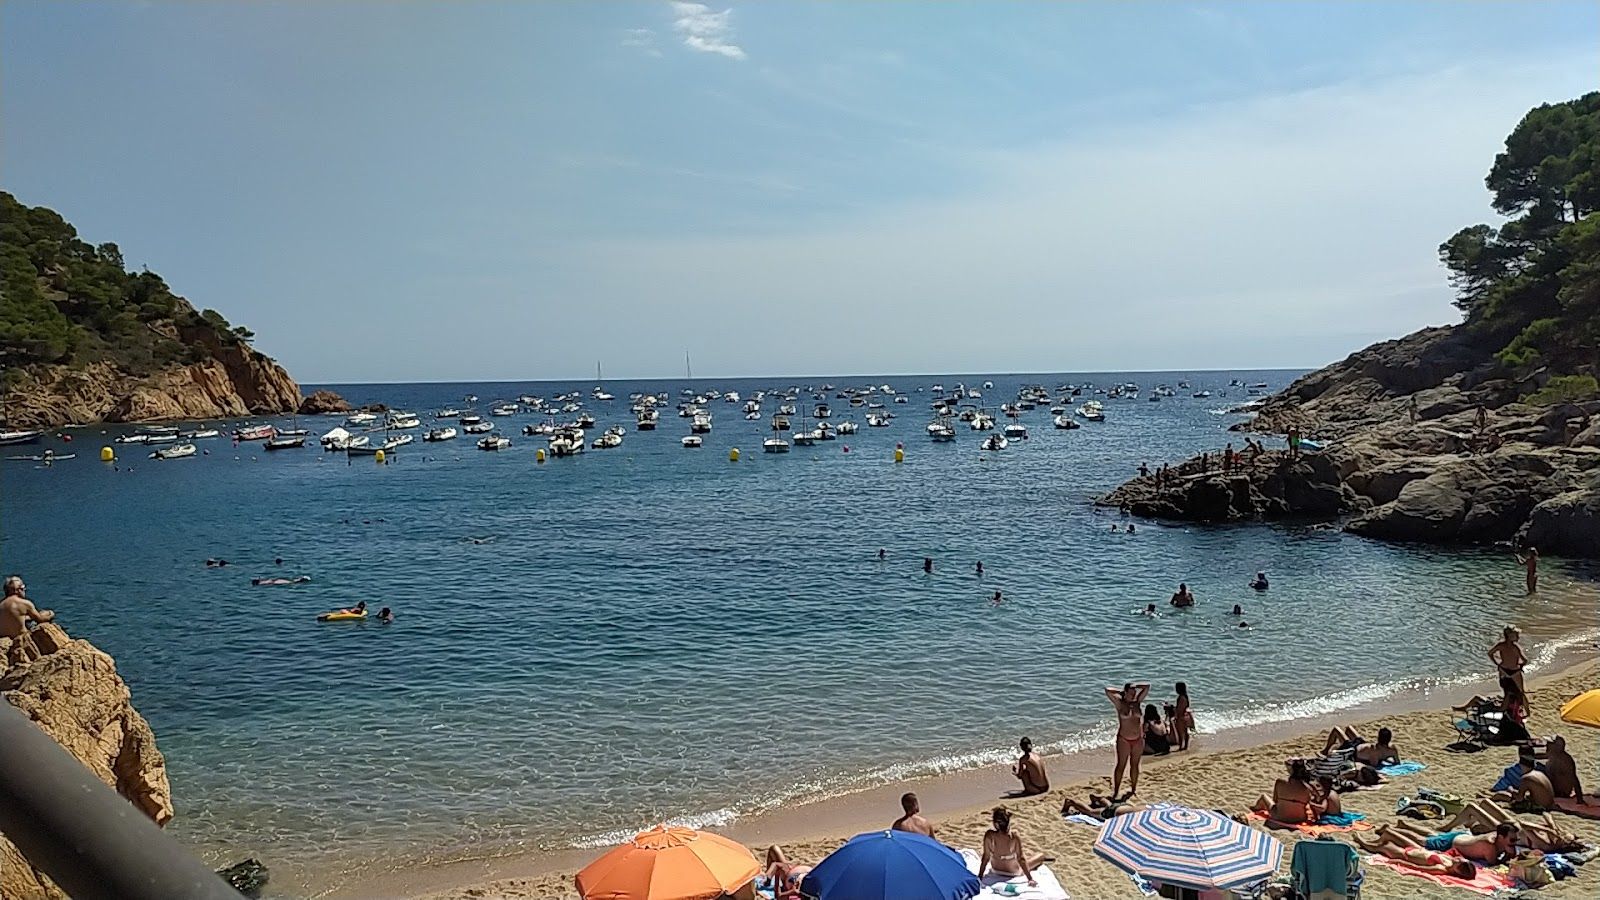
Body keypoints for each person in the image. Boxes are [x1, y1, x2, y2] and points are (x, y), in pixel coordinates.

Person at [1352, 827, 1478, 880]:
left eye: (1460, 861)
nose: (1459, 858)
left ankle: (1362, 842)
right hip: (1417, 849)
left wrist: (1398, 862)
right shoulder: (1450, 861)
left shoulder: (1441, 868)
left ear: (1457, 869)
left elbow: (1417, 868)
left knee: (1384, 846)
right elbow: (1440, 853)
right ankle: (1373, 841)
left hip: (1405, 855)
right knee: (1389, 833)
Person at [978, 807, 1044, 888]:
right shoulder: (1014, 837)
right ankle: (1042, 857)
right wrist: (1030, 878)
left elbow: (986, 857)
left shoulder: (989, 836)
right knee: (1040, 856)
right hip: (1013, 872)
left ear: (995, 824)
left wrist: (980, 876)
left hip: (996, 870)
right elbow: (1021, 859)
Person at [1105, 683, 1149, 798]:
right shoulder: (1120, 704)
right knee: (1121, 765)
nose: (1133, 695)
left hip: (1138, 739)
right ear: (1125, 693)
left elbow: (1147, 686)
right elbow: (1107, 690)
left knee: (1135, 765)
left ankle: (1133, 789)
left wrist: (1135, 685)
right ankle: (1116, 791)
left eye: (1134, 692)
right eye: (1131, 693)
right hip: (1124, 739)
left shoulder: (1137, 702)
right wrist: (1121, 692)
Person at [2, 576, 56, 665]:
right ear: (16, 590)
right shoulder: (25, 604)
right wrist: (50, 613)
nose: (24, 590)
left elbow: (14, 617)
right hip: (22, 639)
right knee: (42, 623)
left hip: (5, 639)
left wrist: (27, 617)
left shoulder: (1, 605)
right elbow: (40, 619)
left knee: (29, 620)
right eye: (23, 588)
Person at [1251, 759, 1316, 824]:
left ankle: (1255, 808)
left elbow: (1275, 800)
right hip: (1300, 819)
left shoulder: (1280, 782)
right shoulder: (1308, 788)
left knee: (1263, 796)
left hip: (1279, 816)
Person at [1322, 726, 1399, 768]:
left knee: (1336, 729)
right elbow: (1397, 762)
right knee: (1349, 728)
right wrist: (1385, 759)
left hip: (1352, 750)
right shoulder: (1392, 749)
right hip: (1362, 743)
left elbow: (1373, 766)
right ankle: (1340, 745)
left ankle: (1326, 750)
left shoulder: (1375, 750)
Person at [1544, 736, 1585, 801]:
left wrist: (1580, 799)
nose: (1546, 745)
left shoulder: (1565, 761)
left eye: (1549, 744)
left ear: (1556, 747)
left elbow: (1574, 779)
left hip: (1560, 792)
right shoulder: (1554, 755)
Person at [1488, 626, 1527, 695]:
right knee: (1521, 691)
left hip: (1503, 669)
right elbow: (1525, 660)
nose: (1518, 637)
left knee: (1506, 691)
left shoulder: (1501, 645)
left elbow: (1490, 653)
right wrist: (1521, 666)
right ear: (1510, 636)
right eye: (1516, 635)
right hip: (1514, 671)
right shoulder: (1515, 647)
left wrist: (1497, 663)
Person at [1061, 793, 1146, 820]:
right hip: (1112, 813)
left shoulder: (1150, 811)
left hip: (1126, 806)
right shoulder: (1140, 818)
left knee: (1111, 805)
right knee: (1090, 812)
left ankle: (1100, 799)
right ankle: (1071, 802)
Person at [1172, 682, 1192, 751]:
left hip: (1181, 717)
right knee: (1185, 732)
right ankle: (1186, 746)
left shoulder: (1181, 698)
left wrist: (1173, 710)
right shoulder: (1186, 697)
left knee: (1180, 733)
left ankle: (1181, 746)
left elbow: (1179, 709)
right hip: (1186, 716)